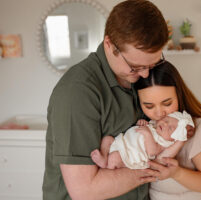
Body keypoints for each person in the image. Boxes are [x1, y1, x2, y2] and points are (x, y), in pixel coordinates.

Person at [42, 0, 169, 199]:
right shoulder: (77, 92)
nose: (145, 75)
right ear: (109, 45)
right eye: (135, 66)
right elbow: (84, 191)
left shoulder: (139, 77)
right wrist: (152, 169)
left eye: (152, 64)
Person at [134, 61, 201, 200]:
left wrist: (177, 173)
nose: (159, 113)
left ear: (179, 94)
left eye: (167, 103)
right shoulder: (145, 127)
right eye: (149, 106)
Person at [90, 111, 194, 170]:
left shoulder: (164, 142)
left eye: (170, 128)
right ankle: (104, 157)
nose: (165, 124)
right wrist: (142, 123)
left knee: (114, 158)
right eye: (166, 120)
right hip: (122, 142)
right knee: (107, 139)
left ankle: (108, 166)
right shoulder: (153, 125)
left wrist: (148, 134)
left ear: (173, 138)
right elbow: (140, 130)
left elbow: (152, 151)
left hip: (130, 154)